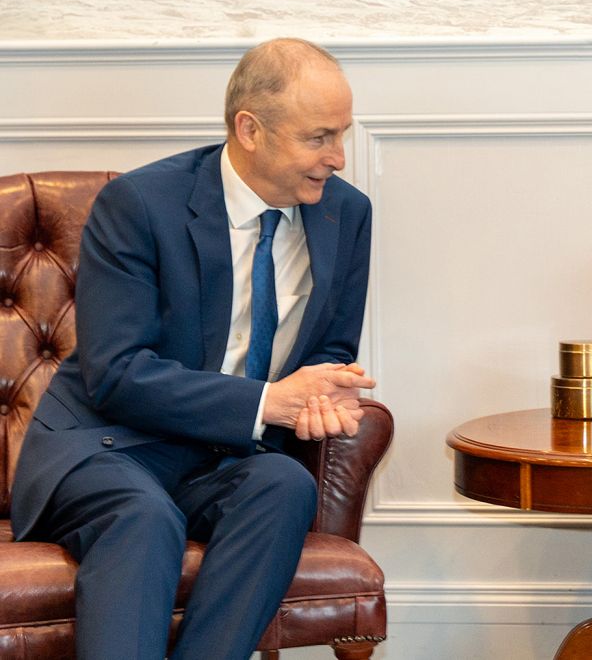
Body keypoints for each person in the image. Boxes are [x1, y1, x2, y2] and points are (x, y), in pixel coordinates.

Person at [10, 38, 377, 660]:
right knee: (143, 518)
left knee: (286, 485)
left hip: (227, 456)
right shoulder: (141, 204)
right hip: (108, 443)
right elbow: (116, 374)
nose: (338, 157)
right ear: (250, 129)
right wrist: (270, 402)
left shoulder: (347, 214)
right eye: (318, 138)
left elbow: (330, 347)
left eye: (341, 134)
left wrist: (325, 393)